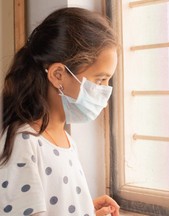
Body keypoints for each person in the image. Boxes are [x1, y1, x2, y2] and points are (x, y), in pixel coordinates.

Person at [0, 7, 120, 216]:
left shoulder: (65, 140)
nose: (105, 91)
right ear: (58, 75)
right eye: (100, 80)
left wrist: (85, 208)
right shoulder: (24, 143)